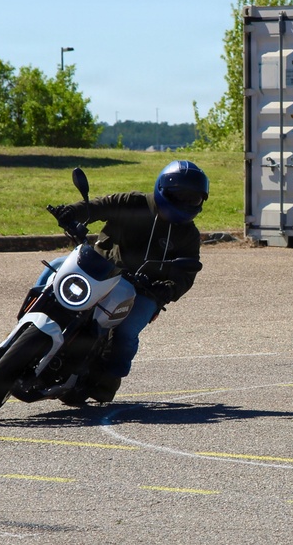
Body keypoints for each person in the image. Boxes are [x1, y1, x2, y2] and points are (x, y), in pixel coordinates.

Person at [45, 160, 209, 404]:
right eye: (179, 195)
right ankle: (28, 324)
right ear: (163, 189)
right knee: (56, 268)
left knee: (126, 331)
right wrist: (72, 213)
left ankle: (110, 377)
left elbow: (187, 273)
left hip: (144, 290)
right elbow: (98, 207)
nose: (185, 202)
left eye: (193, 199)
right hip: (101, 267)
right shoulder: (133, 202)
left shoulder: (188, 234)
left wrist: (168, 289)